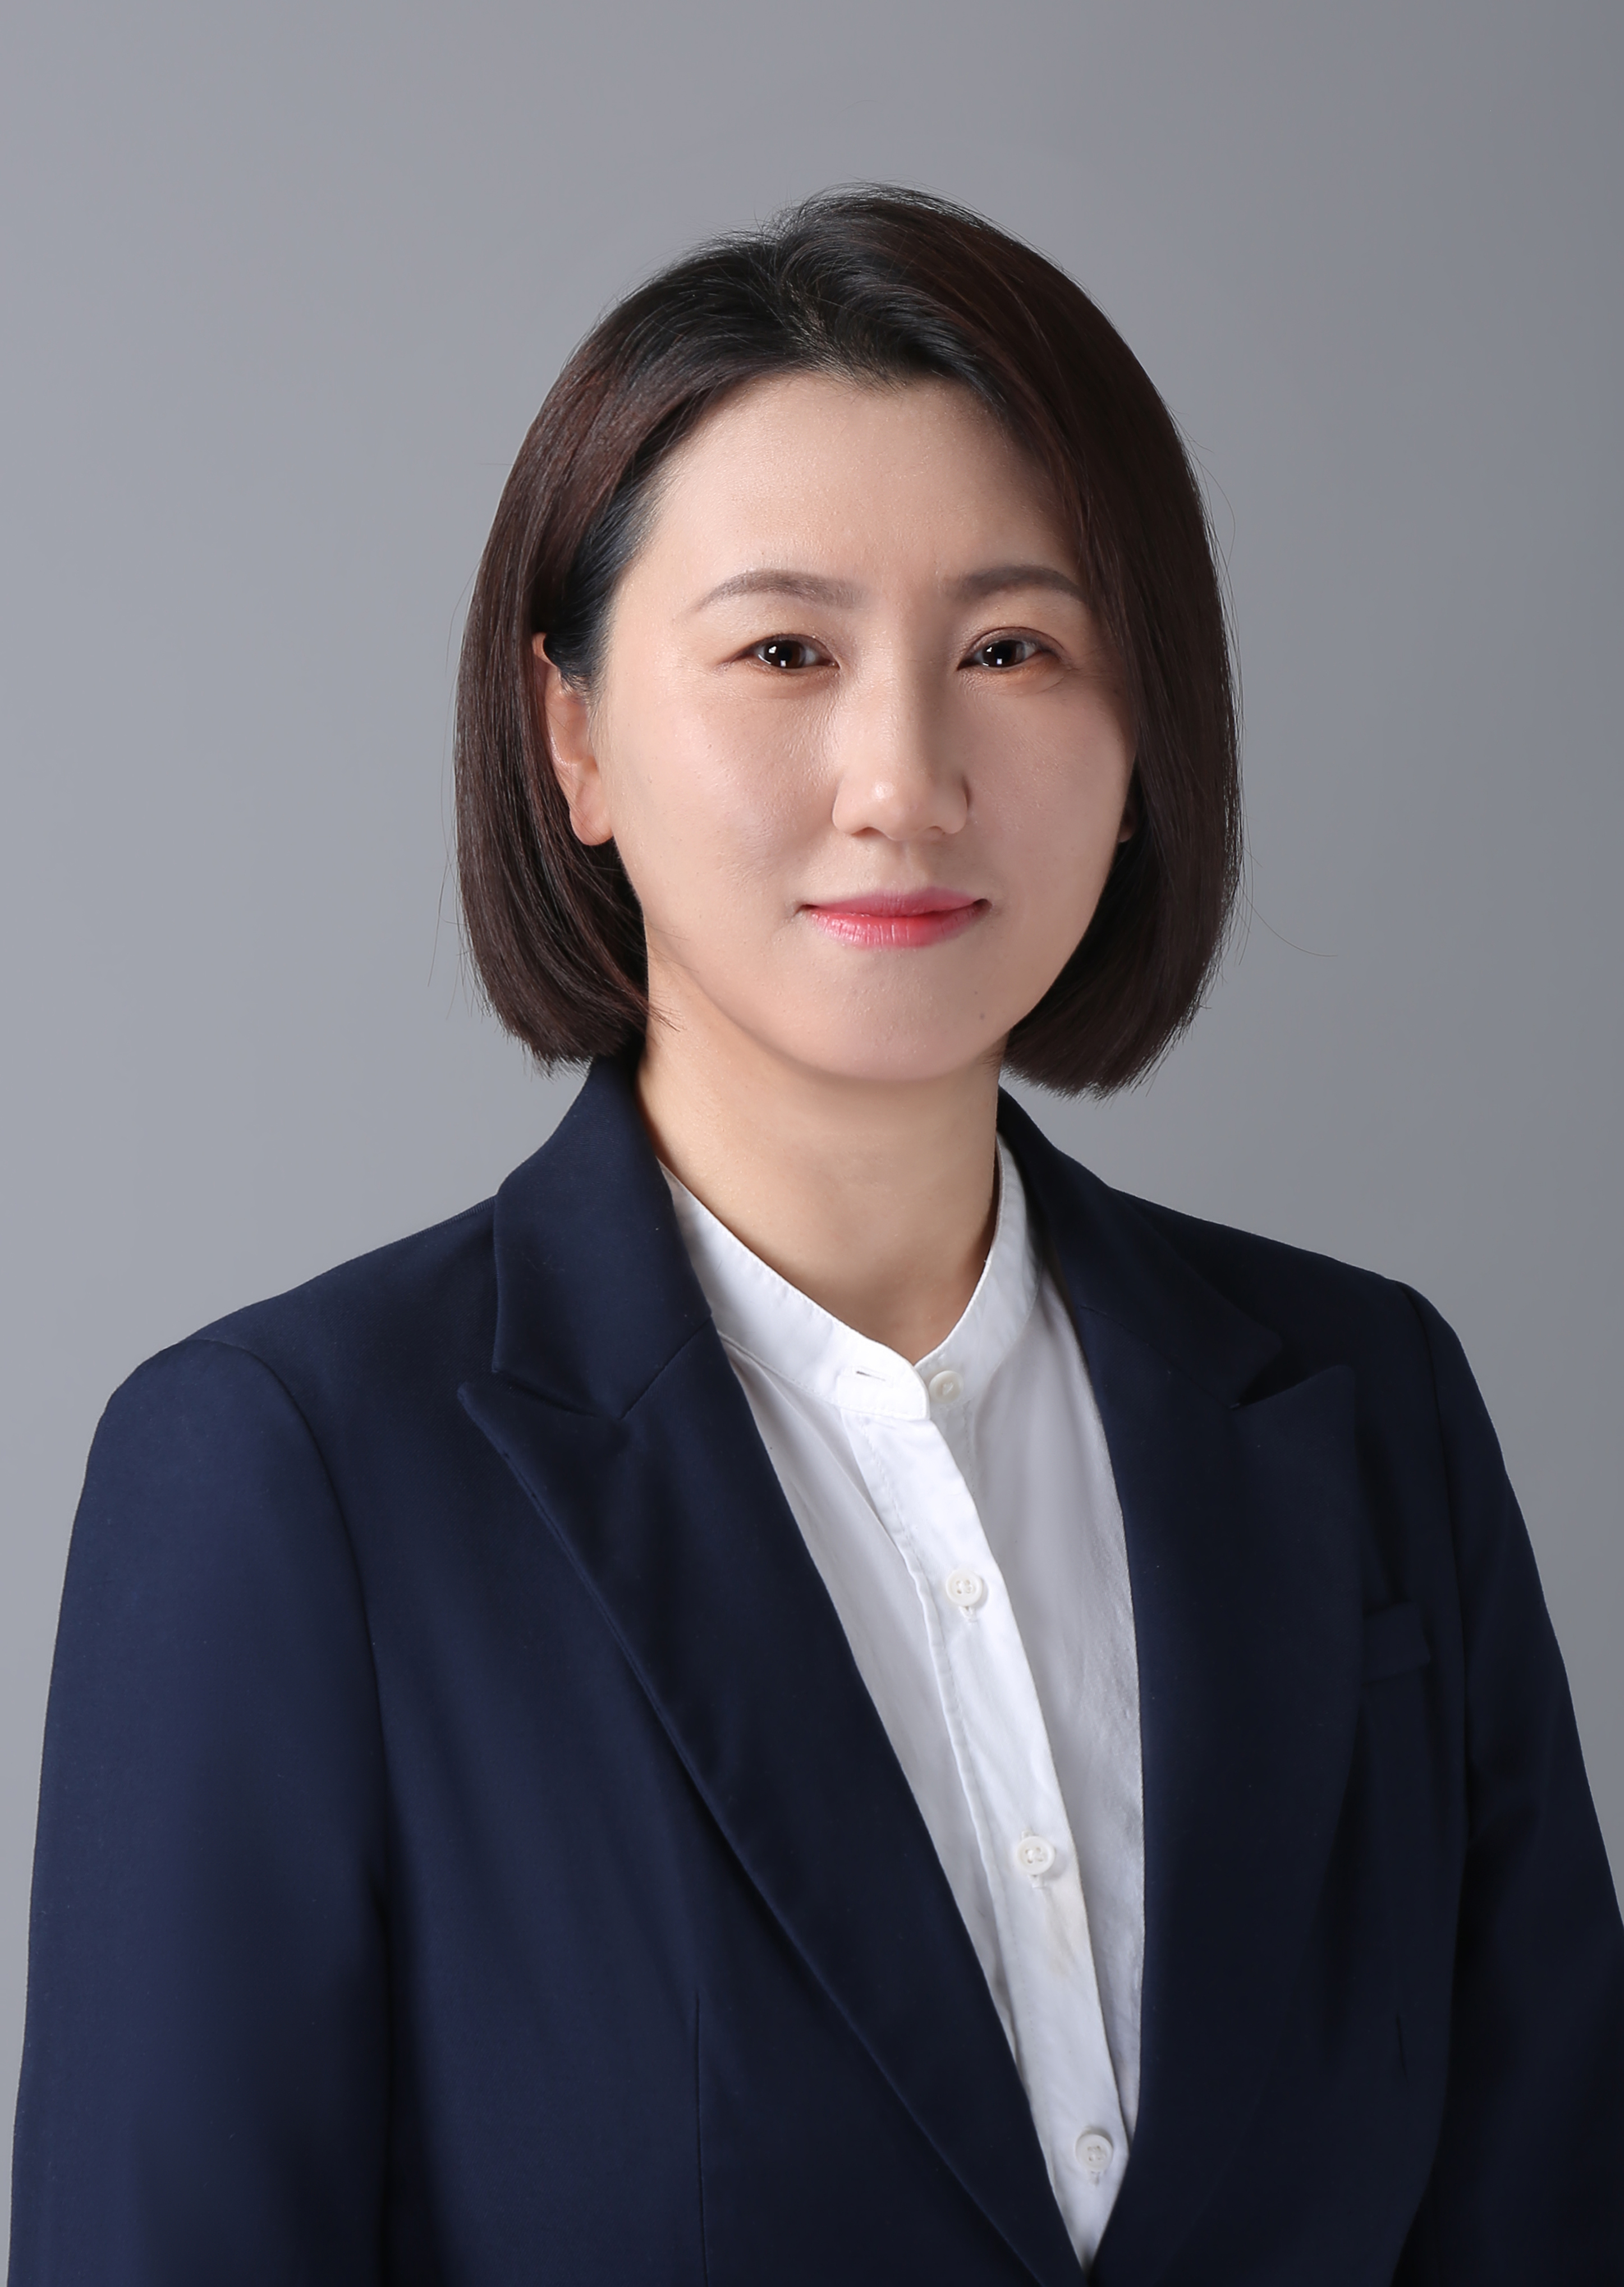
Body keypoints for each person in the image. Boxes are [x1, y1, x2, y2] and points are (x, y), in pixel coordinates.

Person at [8, 187, 1622, 2287]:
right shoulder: (288, 1478)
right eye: (786, 652)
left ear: (1144, 734)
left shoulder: (1369, 1403)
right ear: (576, 735)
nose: (904, 779)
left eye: (1011, 650)